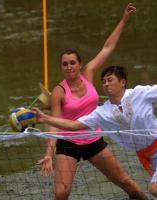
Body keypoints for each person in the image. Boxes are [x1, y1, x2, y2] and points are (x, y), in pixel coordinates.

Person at [34, 65, 157, 200]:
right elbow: (74, 125)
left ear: (122, 82)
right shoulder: (102, 112)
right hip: (148, 157)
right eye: (103, 82)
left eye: (110, 80)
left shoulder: (140, 93)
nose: (106, 84)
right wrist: (46, 119)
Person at [37, 4, 148, 200]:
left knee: (126, 182)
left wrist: (124, 19)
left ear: (80, 64)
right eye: (65, 64)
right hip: (68, 143)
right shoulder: (58, 91)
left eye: (73, 63)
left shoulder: (88, 74)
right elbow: (53, 124)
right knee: (61, 193)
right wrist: (49, 153)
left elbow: (108, 47)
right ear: (61, 67)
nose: (69, 67)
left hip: (93, 139)